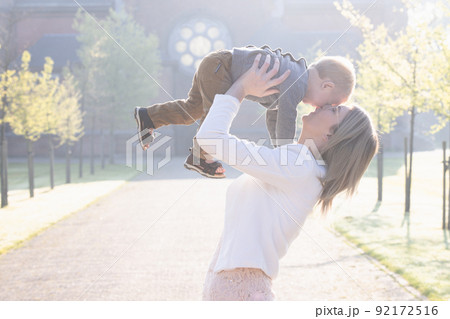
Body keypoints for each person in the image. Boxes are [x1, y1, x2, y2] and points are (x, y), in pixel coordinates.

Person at [195, 54, 379, 300]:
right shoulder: (298, 164)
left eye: (334, 110)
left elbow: (211, 138)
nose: (324, 105)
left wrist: (241, 87)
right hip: (234, 286)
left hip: (240, 290)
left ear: (330, 136)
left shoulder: (299, 167)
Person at [134, 45, 355, 178]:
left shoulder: (293, 79)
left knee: (193, 109)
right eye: (327, 104)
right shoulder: (297, 82)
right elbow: (287, 119)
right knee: (213, 116)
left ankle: (149, 117)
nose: (320, 109)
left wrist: (278, 151)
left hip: (216, 64)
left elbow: (274, 115)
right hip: (221, 69)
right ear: (326, 86)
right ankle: (200, 157)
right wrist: (286, 156)